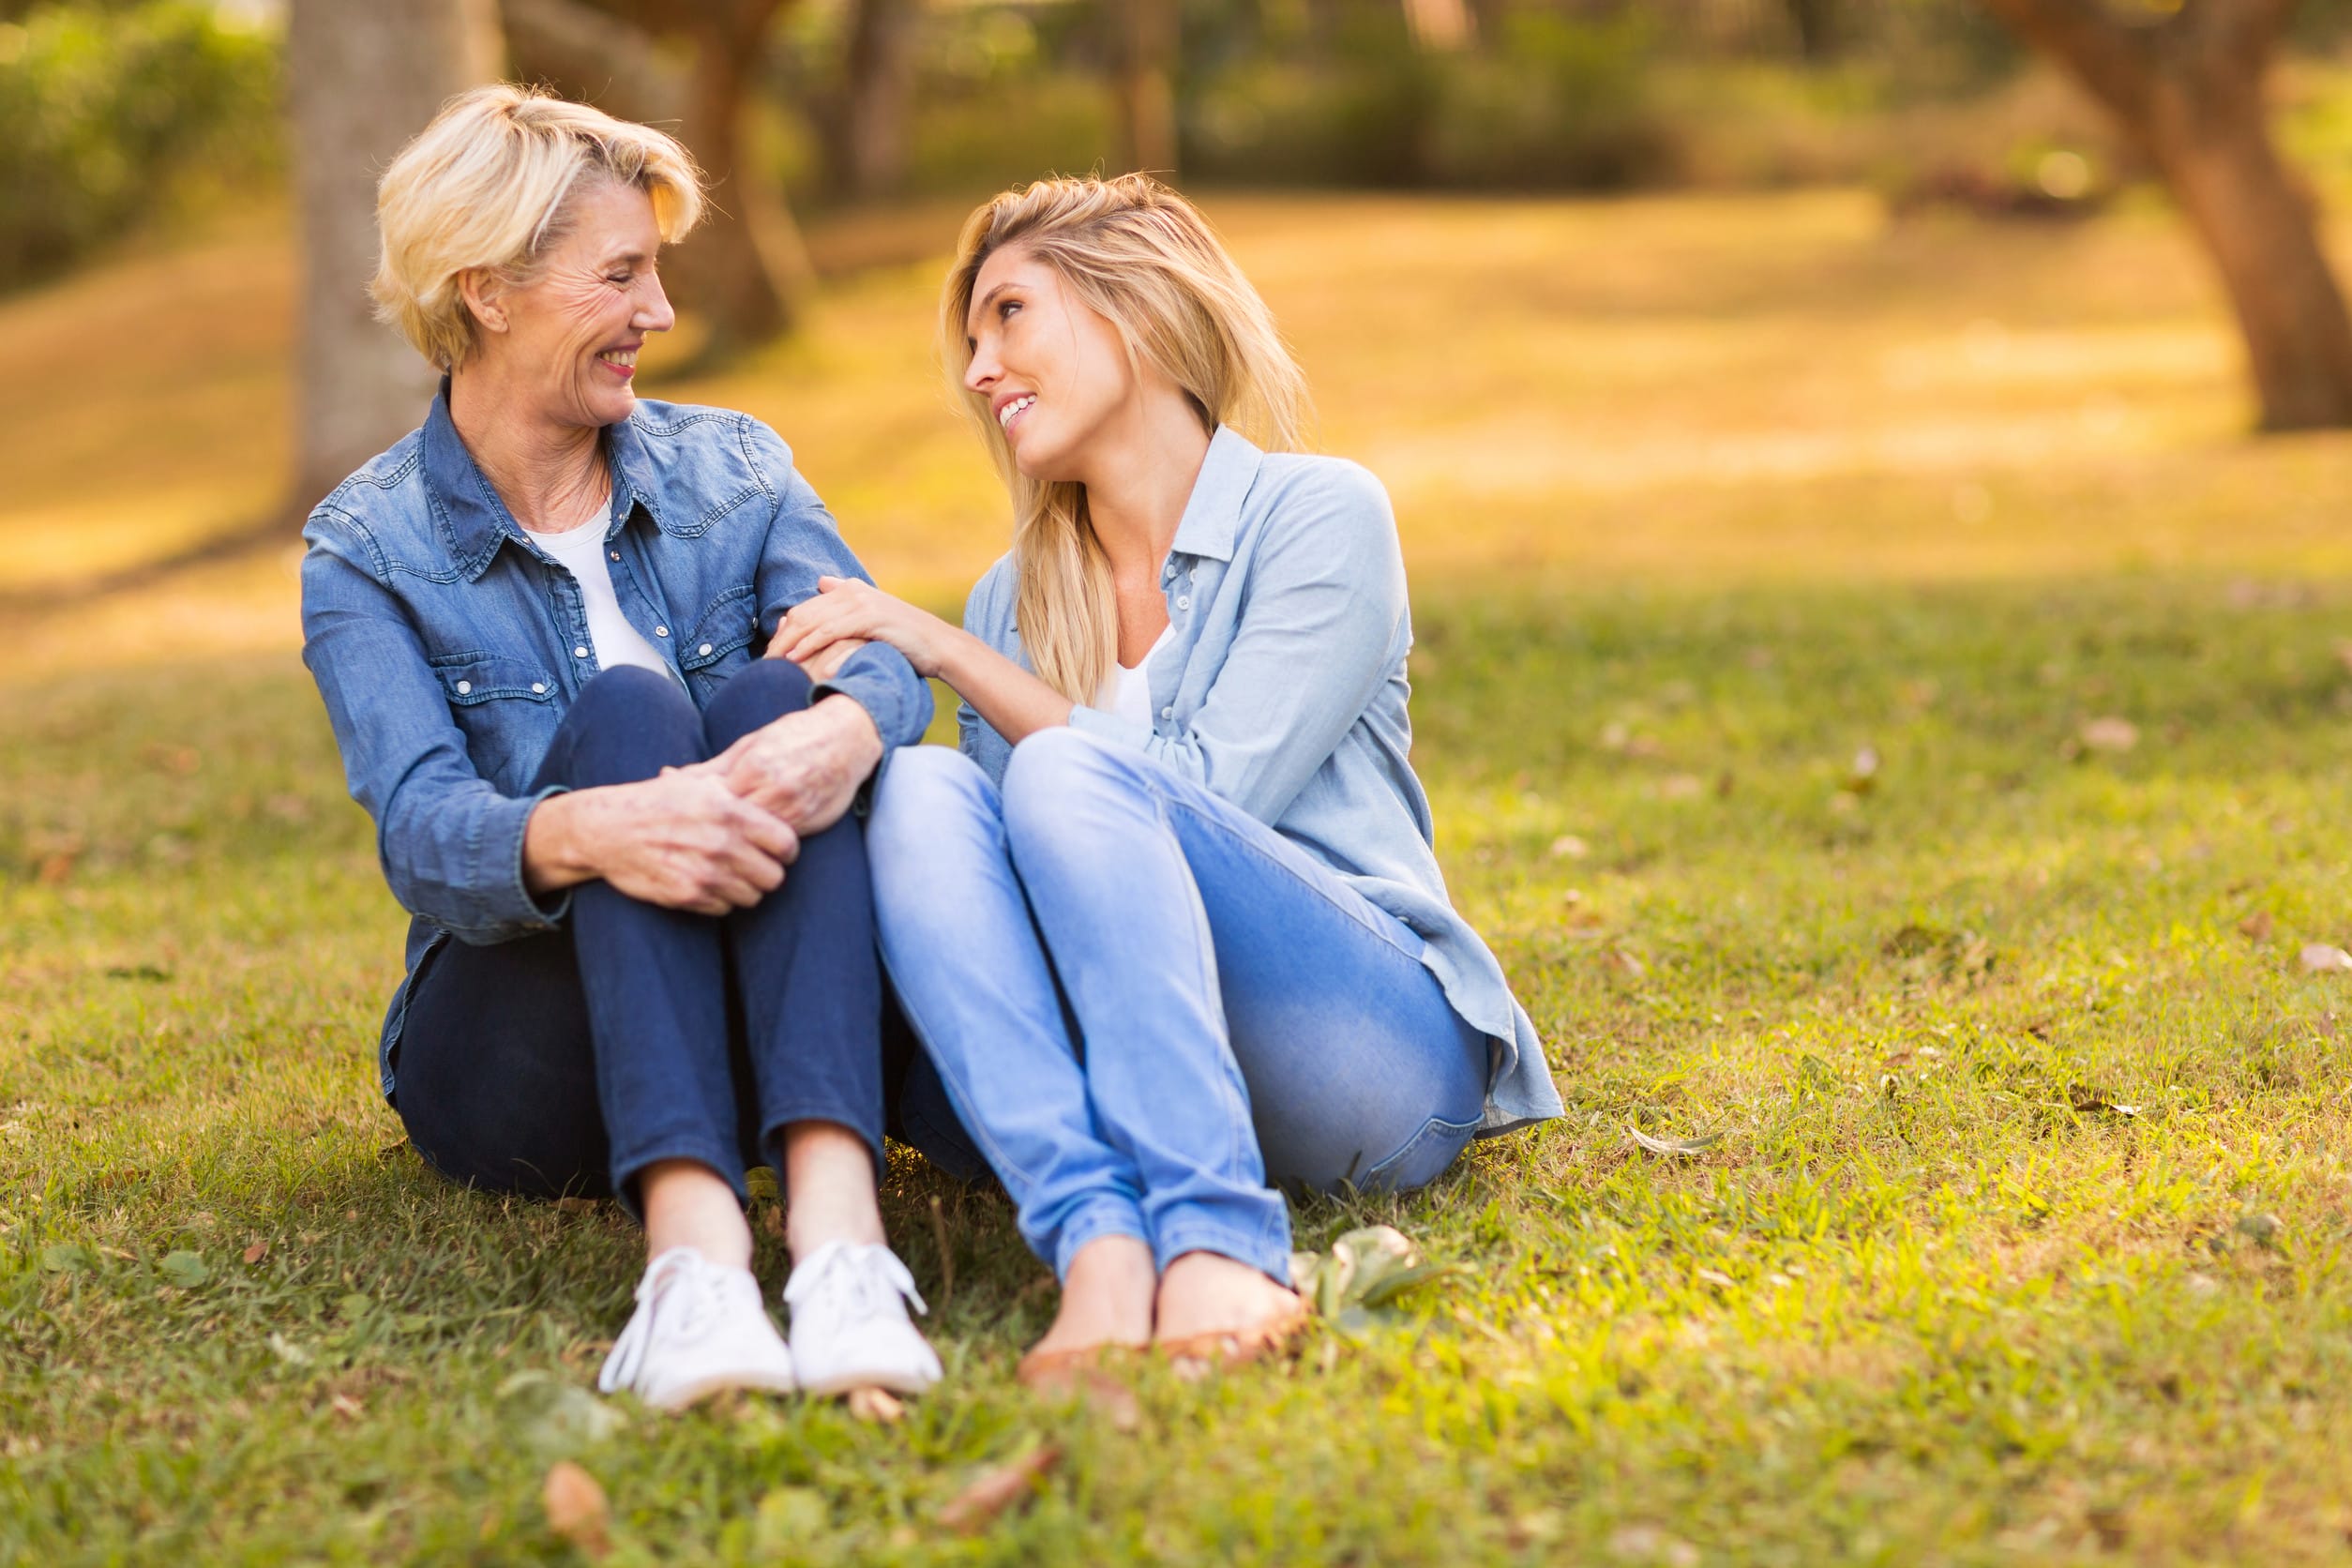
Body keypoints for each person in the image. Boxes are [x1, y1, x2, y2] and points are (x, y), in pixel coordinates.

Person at [770, 174, 1564, 1380]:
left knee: (1063, 780)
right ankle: (1097, 1244)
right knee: (928, 792)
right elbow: (1031, 924)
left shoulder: (1320, 516)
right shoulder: (1013, 602)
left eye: (1010, 315)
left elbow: (1199, 796)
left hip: (1364, 1053)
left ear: (1132, 315)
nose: (981, 370)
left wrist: (945, 652)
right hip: (1136, 1059)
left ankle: (1220, 1243)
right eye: (972, 342)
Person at [298, 84, 940, 1410]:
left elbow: (874, 656)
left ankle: (840, 1249)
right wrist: (596, 825)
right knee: (631, 721)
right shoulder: (365, 551)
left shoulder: (739, 470)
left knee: (786, 699)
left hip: (767, 993)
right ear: (487, 290)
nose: (658, 312)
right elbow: (423, 833)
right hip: (527, 1054)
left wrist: (844, 736)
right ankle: (692, 1266)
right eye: (621, 275)